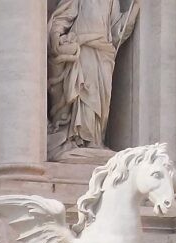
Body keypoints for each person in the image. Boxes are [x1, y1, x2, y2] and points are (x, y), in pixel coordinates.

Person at [47, 0, 141, 160]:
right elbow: (62, 17)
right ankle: (77, 139)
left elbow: (117, 29)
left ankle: (94, 141)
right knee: (84, 92)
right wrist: (56, 37)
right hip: (83, 49)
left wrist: (135, 7)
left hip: (104, 52)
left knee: (99, 99)